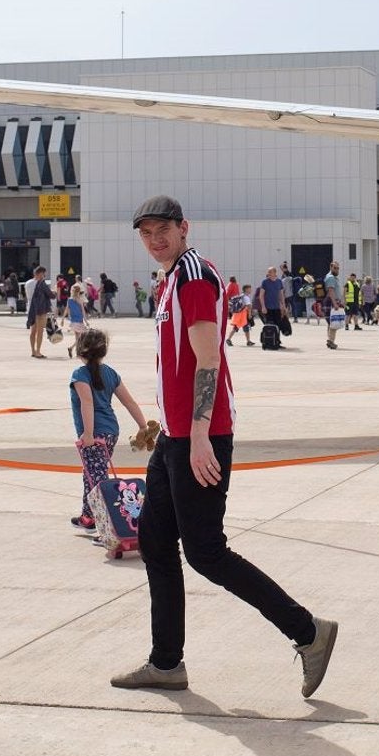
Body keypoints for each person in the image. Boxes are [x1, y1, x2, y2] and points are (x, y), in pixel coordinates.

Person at [111, 195, 338, 697]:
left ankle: (309, 632)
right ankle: (166, 662)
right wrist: (168, 428)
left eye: (163, 230)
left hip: (200, 437)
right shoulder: (171, 279)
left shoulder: (193, 276)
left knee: (206, 553)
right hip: (174, 437)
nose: (155, 240)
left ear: (184, 228)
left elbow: (208, 359)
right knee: (154, 540)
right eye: (146, 233)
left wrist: (195, 437)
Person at [68, 327, 149, 530]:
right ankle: (89, 516)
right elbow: (129, 402)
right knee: (93, 473)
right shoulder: (110, 373)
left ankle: (108, 526)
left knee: (97, 478)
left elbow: (87, 403)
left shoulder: (80, 374)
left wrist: (88, 434)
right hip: (111, 431)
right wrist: (142, 425)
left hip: (94, 434)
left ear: (80, 351)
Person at [25, 265, 54, 358]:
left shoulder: (28, 283)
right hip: (40, 310)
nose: (45, 275)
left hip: (30, 308)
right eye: (44, 273)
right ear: (41, 273)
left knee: (33, 331)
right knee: (40, 331)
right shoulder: (41, 283)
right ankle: (38, 351)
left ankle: (33, 351)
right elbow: (50, 295)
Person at [64, 284, 89, 355]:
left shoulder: (69, 300)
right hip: (79, 321)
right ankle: (71, 348)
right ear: (79, 292)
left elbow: (67, 309)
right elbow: (83, 312)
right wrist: (86, 321)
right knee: (83, 337)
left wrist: (64, 318)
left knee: (77, 337)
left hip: (73, 321)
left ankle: (78, 352)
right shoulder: (80, 300)